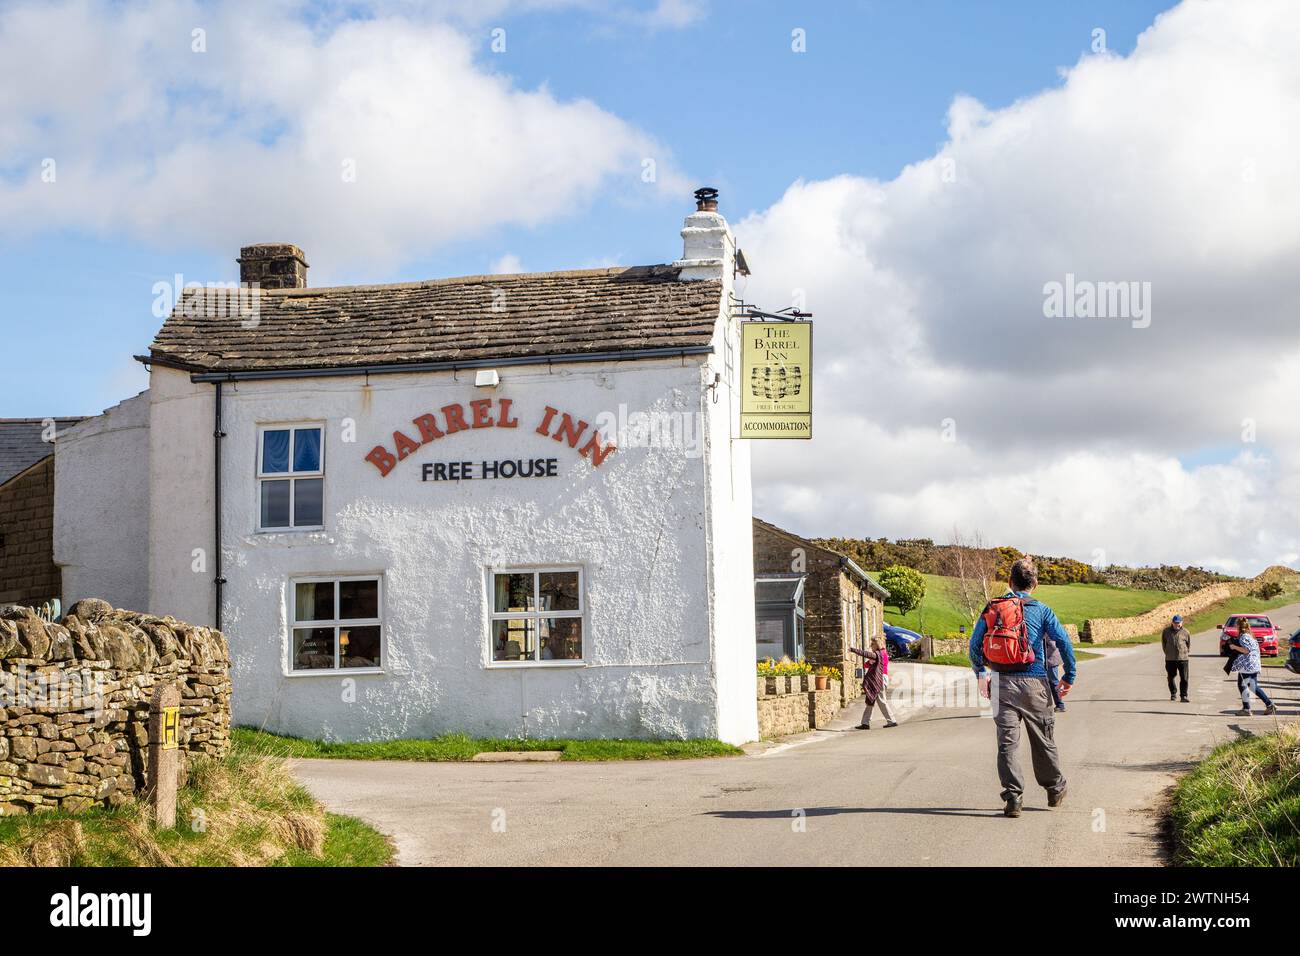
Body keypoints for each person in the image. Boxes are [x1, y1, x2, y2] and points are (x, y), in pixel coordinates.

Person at [970, 558, 1078, 818]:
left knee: (1007, 744)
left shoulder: (994, 607)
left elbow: (974, 647)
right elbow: (1063, 642)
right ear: (1035, 584)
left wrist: (981, 674)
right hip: (1035, 683)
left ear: (1009, 583)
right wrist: (1069, 675)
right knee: (1043, 739)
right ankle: (1054, 789)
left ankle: (1013, 798)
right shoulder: (1042, 610)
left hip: (1001, 683)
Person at [1228, 621, 1276, 716]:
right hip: (1253, 665)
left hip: (1247, 666)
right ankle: (1269, 704)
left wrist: (1233, 647)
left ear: (1239, 627)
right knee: (1253, 686)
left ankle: (1247, 709)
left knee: (1243, 686)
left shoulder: (1244, 637)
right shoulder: (1250, 636)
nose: (1235, 627)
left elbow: (1246, 650)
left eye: (1236, 626)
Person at [849, 635, 897, 730]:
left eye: (872, 644)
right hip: (880, 678)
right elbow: (866, 664)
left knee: (881, 700)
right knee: (870, 701)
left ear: (877, 645)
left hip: (879, 678)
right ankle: (865, 723)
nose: (871, 646)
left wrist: (853, 649)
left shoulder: (878, 654)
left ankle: (892, 721)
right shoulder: (881, 654)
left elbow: (866, 655)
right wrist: (870, 663)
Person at [1161, 614, 1191, 702]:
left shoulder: (1186, 632)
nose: (1177, 624)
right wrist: (1168, 653)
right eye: (1175, 623)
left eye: (1178, 623)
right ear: (1172, 623)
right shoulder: (1166, 631)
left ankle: (1183, 696)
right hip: (1170, 659)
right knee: (1171, 677)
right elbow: (1164, 644)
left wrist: (1184, 653)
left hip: (1183, 659)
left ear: (1181, 623)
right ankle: (1173, 693)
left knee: (1184, 678)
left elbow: (1188, 645)